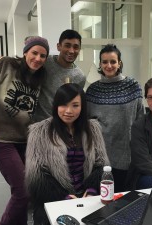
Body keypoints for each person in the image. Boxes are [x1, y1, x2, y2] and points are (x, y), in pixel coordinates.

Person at [0, 36, 49, 225]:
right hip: (2, 140)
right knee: (23, 190)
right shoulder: (6, 64)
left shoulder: (40, 77)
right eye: (34, 53)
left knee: (21, 189)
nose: (38, 58)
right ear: (25, 52)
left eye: (43, 55)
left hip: (24, 141)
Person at [25, 83, 110, 225]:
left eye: (75, 105)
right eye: (63, 105)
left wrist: (90, 191)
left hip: (87, 195)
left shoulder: (93, 129)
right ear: (56, 105)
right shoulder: (39, 131)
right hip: (54, 197)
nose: (68, 111)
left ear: (82, 107)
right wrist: (66, 197)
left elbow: (102, 164)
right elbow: (36, 176)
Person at [0, 29, 86, 122]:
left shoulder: (80, 76)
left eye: (76, 47)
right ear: (58, 46)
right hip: (34, 122)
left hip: (59, 124)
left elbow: (74, 102)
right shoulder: (45, 61)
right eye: (67, 45)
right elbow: (24, 61)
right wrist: (0, 61)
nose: (71, 51)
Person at [85, 44, 144, 192]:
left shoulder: (133, 86)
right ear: (100, 64)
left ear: (119, 63)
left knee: (123, 200)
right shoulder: (92, 91)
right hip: (100, 158)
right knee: (102, 201)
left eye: (113, 61)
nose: (109, 65)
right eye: (104, 62)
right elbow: (86, 124)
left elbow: (141, 120)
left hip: (126, 156)